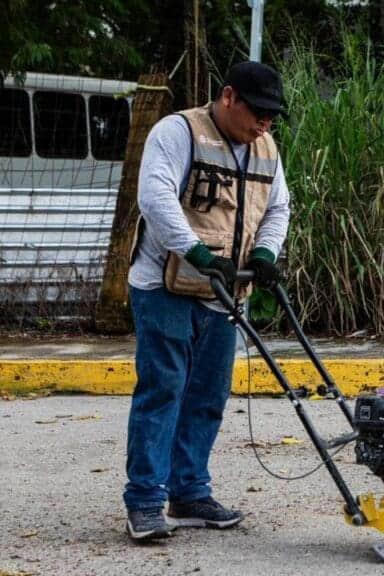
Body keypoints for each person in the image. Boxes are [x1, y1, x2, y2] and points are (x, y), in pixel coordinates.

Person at [123, 61, 290, 540]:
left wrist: (264, 253)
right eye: (257, 112)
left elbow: (278, 207)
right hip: (165, 286)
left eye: (272, 117)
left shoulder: (266, 149)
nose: (264, 124)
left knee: (209, 395)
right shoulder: (178, 133)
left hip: (224, 291)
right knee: (163, 389)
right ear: (228, 96)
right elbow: (155, 199)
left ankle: (190, 492)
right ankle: (145, 500)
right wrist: (196, 254)